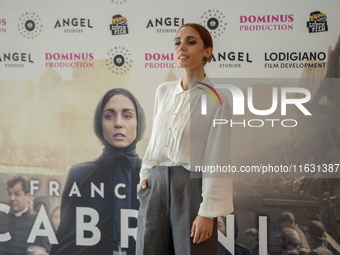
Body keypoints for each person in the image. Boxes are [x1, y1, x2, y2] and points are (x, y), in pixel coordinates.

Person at [136, 23, 233, 255]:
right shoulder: (164, 91)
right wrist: (146, 174)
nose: (182, 47)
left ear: (207, 52)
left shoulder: (218, 100)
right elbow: (155, 140)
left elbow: (218, 158)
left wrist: (207, 212)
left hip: (190, 188)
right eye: (177, 42)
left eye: (191, 42)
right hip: (155, 188)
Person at [50, 88, 146, 255]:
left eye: (127, 115)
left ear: (139, 123)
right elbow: (66, 240)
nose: (118, 123)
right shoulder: (79, 175)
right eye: (109, 116)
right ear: (99, 123)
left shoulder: (154, 176)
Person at [0, 175, 50, 255]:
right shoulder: (1, 218)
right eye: (10, 194)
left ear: (28, 196)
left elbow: (49, 251)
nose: (12, 198)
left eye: (17, 194)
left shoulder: (38, 221)